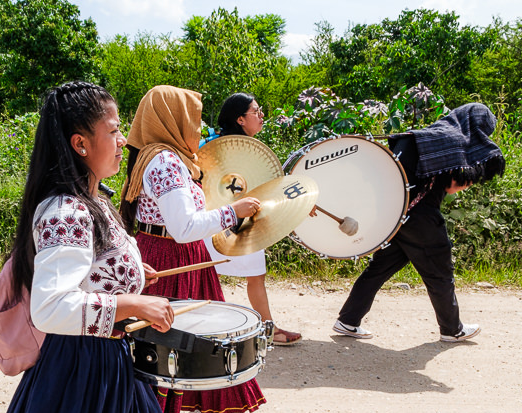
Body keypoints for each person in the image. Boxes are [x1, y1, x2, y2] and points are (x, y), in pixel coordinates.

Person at [0, 82, 236, 413]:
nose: (123, 139)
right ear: (80, 143)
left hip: (108, 371)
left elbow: (87, 272)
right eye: (113, 130)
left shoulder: (94, 200)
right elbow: (50, 308)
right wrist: (132, 302)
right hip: (78, 378)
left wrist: (131, 271)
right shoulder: (66, 210)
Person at [119, 85, 266, 413]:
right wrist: (234, 211)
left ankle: (195, 412)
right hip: (172, 254)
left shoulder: (157, 155)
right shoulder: (167, 161)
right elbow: (184, 227)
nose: (200, 129)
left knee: (184, 333)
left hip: (168, 250)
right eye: (195, 120)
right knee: (178, 335)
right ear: (173, 120)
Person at [333, 103, 505, 342]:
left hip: (394, 213)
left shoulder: (424, 135)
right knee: (440, 270)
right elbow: (452, 186)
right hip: (421, 214)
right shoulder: (454, 140)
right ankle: (452, 329)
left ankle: (348, 320)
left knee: (380, 268)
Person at [203, 92, 302, 346]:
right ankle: (211, 330)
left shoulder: (252, 150)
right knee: (207, 275)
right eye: (255, 112)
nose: (261, 117)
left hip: (246, 223)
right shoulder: (214, 149)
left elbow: (266, 190)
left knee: (256, 274)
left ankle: (268, 329)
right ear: (240, 119)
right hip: (214, 222)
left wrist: (300, 204)